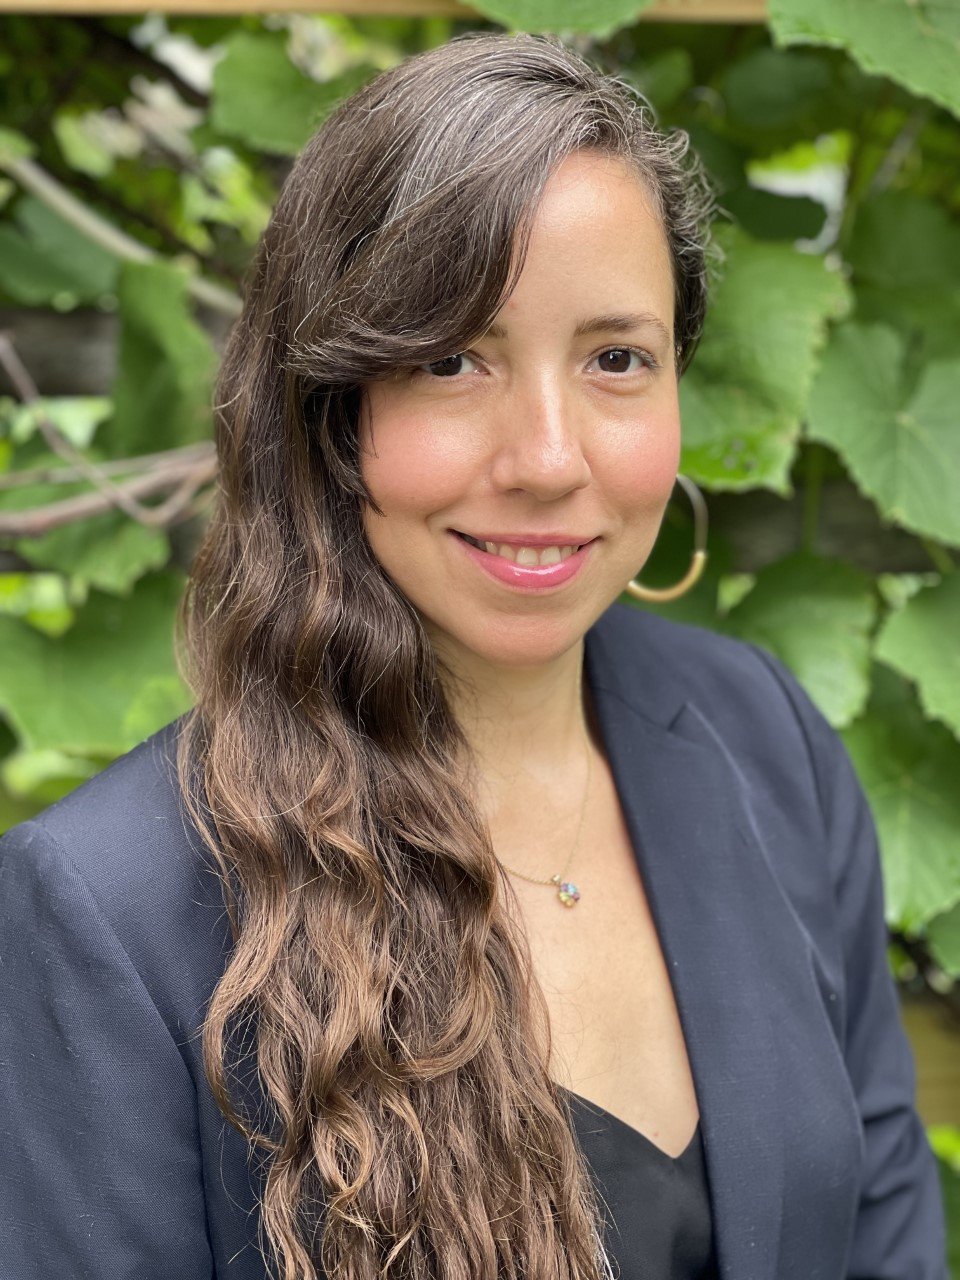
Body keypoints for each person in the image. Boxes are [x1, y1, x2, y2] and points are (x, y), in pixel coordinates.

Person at [0, 30, 948, 1280]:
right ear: (330, 409)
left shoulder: (762, 734)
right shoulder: (108, 908)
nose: (549, 457)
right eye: (453, 360)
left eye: (617, 358)